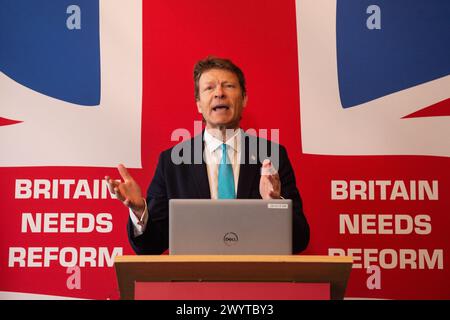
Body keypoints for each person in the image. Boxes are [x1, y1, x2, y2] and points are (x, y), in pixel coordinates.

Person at [105, 56, 309, 254]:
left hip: (256, 282)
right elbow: (150, 246)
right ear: (199, 104)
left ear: (244, 98)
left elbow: (299, 240)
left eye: (228, 86)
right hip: (195, 285)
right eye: (209, 88)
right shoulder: (172, 162)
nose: (219, 93)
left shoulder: (272, 156)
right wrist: (140, 211)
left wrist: (274, 204)